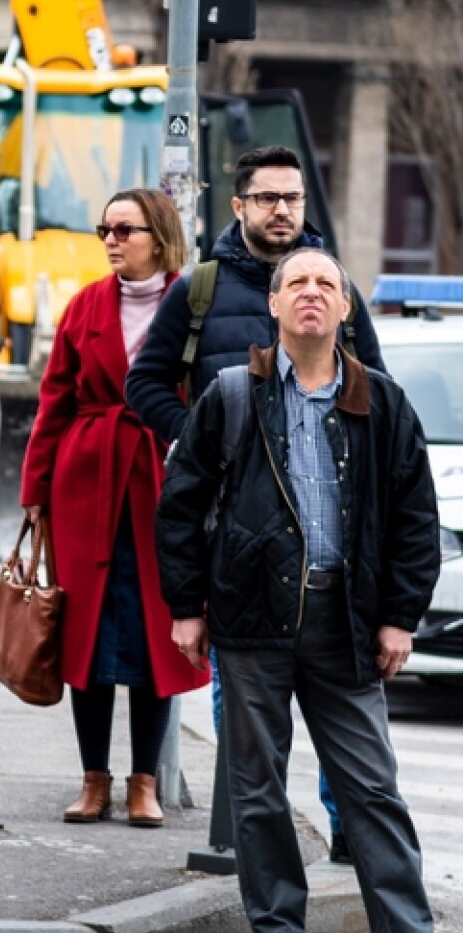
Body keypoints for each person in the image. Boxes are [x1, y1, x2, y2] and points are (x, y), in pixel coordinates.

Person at [157, 247, 439, 933]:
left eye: (325, 284)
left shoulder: (382, 400)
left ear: (344, 307)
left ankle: (407, 926)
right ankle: (277, 925)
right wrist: (186, 608)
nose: (311, 292)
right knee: (258, 793)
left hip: (348, 623)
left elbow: (414, 517)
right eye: (298, 283)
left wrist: (399, 617)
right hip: (251, 617)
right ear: (274, 304)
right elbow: (180, 507)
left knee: (372, 789)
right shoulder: (232, 393)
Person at [125, 145, 385, 858]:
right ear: (239, 205)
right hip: (237, 535)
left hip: (328, 533)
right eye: (268, 198)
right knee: (243, 705)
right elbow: (143, 384)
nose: (282, 210)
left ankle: (348, 840)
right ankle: (250, 842)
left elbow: (378, 394)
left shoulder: (334, 288)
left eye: (292, 198)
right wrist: (203, 439)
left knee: (340, 704)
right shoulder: (201, 290)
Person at [20, 190, 211, 828]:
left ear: (159, 235)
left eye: (124, 229)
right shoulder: (85, 305)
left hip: (162, 482)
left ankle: (145, 782)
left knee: (159, 634)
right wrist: (36, 493)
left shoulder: (191, 304)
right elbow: (53, 402)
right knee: (88, 635)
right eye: (104, 228)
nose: (110, 239)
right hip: (87, 484)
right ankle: (93, 779)